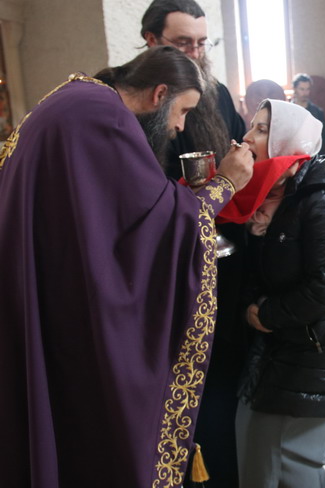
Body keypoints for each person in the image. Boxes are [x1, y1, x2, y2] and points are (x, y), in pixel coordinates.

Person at [0, 46, 254, 488]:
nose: (180, 127)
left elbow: (108, 223)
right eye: (183, 111)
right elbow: (156, 229)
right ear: (159, 94)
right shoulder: (107, 120)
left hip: (36, 282)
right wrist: (225, 184)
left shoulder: (80, 97)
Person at [141, 0, 248, 487]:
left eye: (203, 43)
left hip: (223, 266)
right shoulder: (136, 106)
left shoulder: (217, 94)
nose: (196, 53)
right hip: (166, 277)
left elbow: (242, 159)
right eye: (184, 43)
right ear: (152, 41)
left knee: (224, 390)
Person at [235, 99, 325, 487]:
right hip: (282, 345)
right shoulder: (268, 195)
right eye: (251, 126)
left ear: (286, 142)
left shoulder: (321, 200)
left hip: (315, 348)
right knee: (262, 451)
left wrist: (263, 314)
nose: (247, 136)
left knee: (290, 461)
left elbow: (322, 288)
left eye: (261, 130)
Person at [291, 73, 325, 155]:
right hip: (291, 154)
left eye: (307, 89)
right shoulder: (287, 111)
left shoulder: (318, 112)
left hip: (312, 154)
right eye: (302, 89)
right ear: (294, 89)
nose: (305, 93)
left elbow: (323, 138)